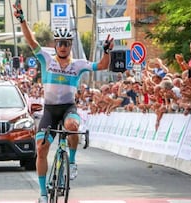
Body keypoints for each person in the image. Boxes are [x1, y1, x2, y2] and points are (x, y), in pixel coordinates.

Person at [13, 3, 114, 203]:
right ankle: (43, 194)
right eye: (60, 43)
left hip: (68, 108)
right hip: (50, 110)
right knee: (41, 148)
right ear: (55, 44)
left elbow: (102, 65)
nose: (63, 46)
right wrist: (22, 19)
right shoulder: (46, 60)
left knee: (73, 127)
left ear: (70, 45)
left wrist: (107, 51)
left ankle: (73, 161)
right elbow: (30, 40)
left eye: (67, 43)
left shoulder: (78, 65)